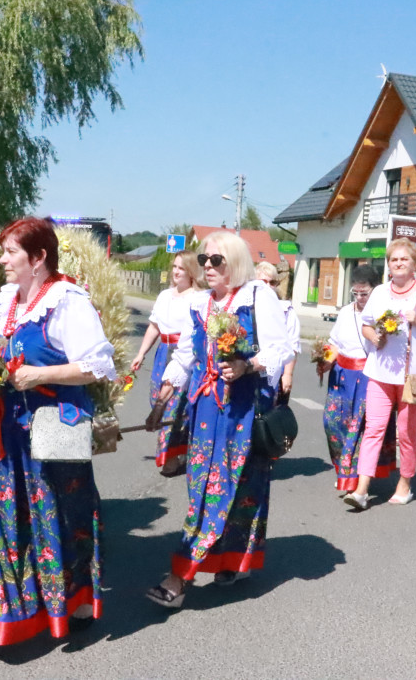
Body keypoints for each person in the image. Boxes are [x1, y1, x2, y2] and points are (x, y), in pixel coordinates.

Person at [0, 217, 116, 670]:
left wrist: (41, 375)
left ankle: (72, 600)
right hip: (6, 423)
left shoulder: (68, 301)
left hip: (59, 420)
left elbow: (96, 365)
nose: (2, 260)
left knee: (63, 513)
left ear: (38, 258)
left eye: (11, 252)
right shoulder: (6, 301)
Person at [143, 231, 292, 608]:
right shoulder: (200, 303)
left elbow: (280, 348)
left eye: (216, 261)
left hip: (244, 407)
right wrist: (166, 392)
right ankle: (221, 560)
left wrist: (248, 364)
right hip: (207, 407)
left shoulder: (258, 296)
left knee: (235, 489)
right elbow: (187, 353)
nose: (206, 266)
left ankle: (181, 576)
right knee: (202, 488)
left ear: (235, 262)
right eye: (204, 260)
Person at [346, 238, 416, 510]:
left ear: (414, 264)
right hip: (381, 372)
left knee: (406, 432)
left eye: (404, 259)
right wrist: (376, 338)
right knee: (373, 430)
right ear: (388, 265)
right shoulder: (380, 292)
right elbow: (366, 326)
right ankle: (361, 489)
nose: (399, 263)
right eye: (394, 259)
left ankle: (405, 483)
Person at [318, 265, 397, 494]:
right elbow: (335, 344)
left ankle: (352, 478)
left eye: (365, 294)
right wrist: (325, 361)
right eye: (356, 293)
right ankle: (344, 469)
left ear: (375, 290)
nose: (360, 298)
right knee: (332, 422)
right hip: (341, 376)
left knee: (358, 428)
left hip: (368, 377)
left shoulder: (385, 316)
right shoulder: (344, 312)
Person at [130, 252, 203, 476]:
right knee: (157, 401)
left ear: (191, 272)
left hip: (184, 355)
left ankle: (171, 457)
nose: (176, 271)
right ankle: (180, 451)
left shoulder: (198, 298)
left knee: (173, 406)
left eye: (181, 268)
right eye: (174, 267)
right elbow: (154, 326)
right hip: (163, 353)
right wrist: (141, 353)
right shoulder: (164, 296)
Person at [255, 261, 299, 401]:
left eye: (272, 282)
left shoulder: (286, 310)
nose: (268, 286)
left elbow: (292, 345)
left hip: (274, 373)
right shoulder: (246, 305)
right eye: (263, 281)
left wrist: (287, 375)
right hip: (249, 371)